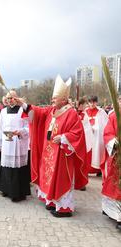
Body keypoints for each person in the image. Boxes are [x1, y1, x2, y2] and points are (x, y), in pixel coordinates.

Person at [21, 75, 88, 217]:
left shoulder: (71, 113)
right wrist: (24, 105)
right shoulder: (52, 110)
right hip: (49, 153)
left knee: (60, 179)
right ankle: (52, 201)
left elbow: (77, 134)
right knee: (49, 177)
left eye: (54, 98)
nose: (52, 101)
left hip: (62, 154)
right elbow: (38, 113)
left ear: (63, 100)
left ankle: (64, 208)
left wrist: (63, 137)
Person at [0, 91, 31, 202]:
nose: (9, 99)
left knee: (18, 168)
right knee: (6, 167)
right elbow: (0, 128)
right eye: (8, 97)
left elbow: (29, 126)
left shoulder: (22, 110)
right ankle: (6, 189)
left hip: (19, 143)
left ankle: (19, 193)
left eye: (12, 97)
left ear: (16, 98)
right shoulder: (3, 111)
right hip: (7, 142)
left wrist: (20, 132)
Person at [102, 96, 121, 231]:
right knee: (115, 186)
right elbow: (108, 133)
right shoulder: (114, 116)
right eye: (119, 100)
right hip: (117, 157)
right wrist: (114, 142)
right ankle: (113, 212)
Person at [85, 96, 108, 176]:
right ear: (88, 103)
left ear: (96, 102)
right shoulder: (85, 112)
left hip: (98, 137)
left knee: (98, 153)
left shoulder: (101, 112)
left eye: (94, 102)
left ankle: (98, 170)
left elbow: (105, 125)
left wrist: (96, 128)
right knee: (88, 153)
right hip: (88, 136)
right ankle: (87, 170)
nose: (92, 104)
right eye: (90, 102)